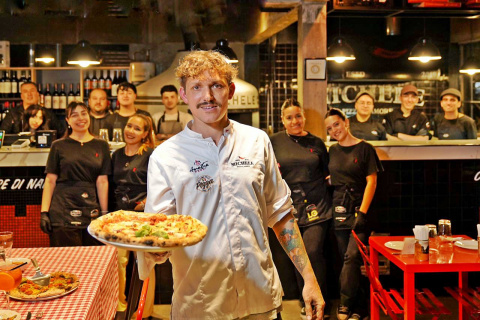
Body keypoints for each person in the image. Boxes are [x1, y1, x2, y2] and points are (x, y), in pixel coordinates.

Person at [145, 50, 324, 320]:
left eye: (216, 85)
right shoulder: (165, 156)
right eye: (197, 87)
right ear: (184, 95)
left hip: (260, 298)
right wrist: (157, 250)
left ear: (229, 91)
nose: (207, 96)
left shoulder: (257, 141)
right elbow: (161, 229)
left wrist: (309, 278)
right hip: (201, 304)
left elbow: (281, 213)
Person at [270, 98, 332, 317]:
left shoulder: (317, 143)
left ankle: (319, 302)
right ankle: (305, 301)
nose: (295, 121)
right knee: (297, 253)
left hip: (317, 205)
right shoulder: (273, 141)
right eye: (290, 117)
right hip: (287, 207)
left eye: (298, 116)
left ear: (304, 117)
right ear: (282, 120)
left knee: (313, 251)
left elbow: (326, 174)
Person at [324, 108, 383, 320]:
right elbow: (333, 177)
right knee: (347, 261)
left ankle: (345, 304)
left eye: (336, 125)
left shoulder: (365, 148)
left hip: (360, 210)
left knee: (352, 257)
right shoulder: (332, 151)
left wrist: (363, 213)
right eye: (329, 129)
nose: (334, 130)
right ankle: (360, 309)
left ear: (346, 123)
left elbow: (372, 182)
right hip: (338, 209)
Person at [39, 101, 111, 247]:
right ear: (67, 121)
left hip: (91, 210)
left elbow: (102, 181)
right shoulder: (58, 145)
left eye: (84, 114)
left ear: (89, 116)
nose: (80, 119)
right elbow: (50, 180)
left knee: (93, 261)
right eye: (74, 115)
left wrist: (104, 213)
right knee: (64, 262)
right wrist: (44, 212)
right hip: (62, 210)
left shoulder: (101, 145)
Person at [111, 114, 155, 316]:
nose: (131, 131)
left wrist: (144, 204)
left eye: (137, 128)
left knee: (145, 263)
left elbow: (159, 185)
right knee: (119, 263)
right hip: (119, 216)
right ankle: (120, 307)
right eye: (129, 126)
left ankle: (144, 312)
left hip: (141, 216)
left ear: (145, 134)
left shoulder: (151, 155)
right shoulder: (116, 155)